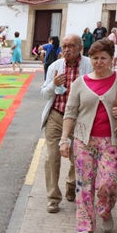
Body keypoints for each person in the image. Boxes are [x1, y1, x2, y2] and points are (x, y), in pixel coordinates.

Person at [59, 39, 117, 233]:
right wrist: (63, 140)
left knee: (107, 183)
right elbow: (70, 113)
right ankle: (85, 225)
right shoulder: (80, 83)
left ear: (112, 59)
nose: (99, 62)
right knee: (84, 184)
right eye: (95, 58)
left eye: (103, 58)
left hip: (111, 141)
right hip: (83, 140)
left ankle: (105, 210)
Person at [40, 33, 92, 214]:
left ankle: (71, 183)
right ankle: (53, 198)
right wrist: (53, 84)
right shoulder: (55, 66)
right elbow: (44, 94)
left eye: (71, 46)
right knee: (52, 157)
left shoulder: (89, 66)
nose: (66, 49)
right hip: (56, 115)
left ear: (80, 49)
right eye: (64, 46)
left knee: (77, 157)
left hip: (79, 118)